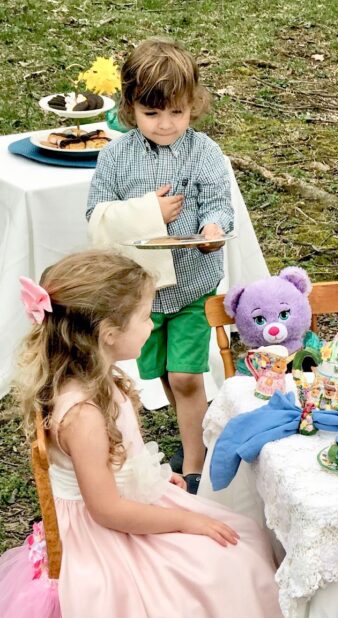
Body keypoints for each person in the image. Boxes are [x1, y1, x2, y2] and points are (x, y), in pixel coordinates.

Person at [0, 251, 287, 618]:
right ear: (107, 332)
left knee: (245, 541)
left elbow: (120, 467)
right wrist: (183, 524)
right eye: (144, 315)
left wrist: (158, 482)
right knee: (216, 573)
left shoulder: (96, 376)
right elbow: (106, 509)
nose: (152, 323)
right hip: (108, 536)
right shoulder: (81, 411)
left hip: (132, 501)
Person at [86, 37, 232, 493]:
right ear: (131, 108)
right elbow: (97, 215)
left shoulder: (203, 152)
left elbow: (218, 204)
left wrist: (211, 230)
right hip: (142, 295)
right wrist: (150, 212)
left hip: (192, 286)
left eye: (177, 113)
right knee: (164, 373)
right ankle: (198, 428)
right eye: (152, 114)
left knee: (187, 374)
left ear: (193, 105)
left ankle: (195, 465)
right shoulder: (114, 157)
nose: (166, 124)